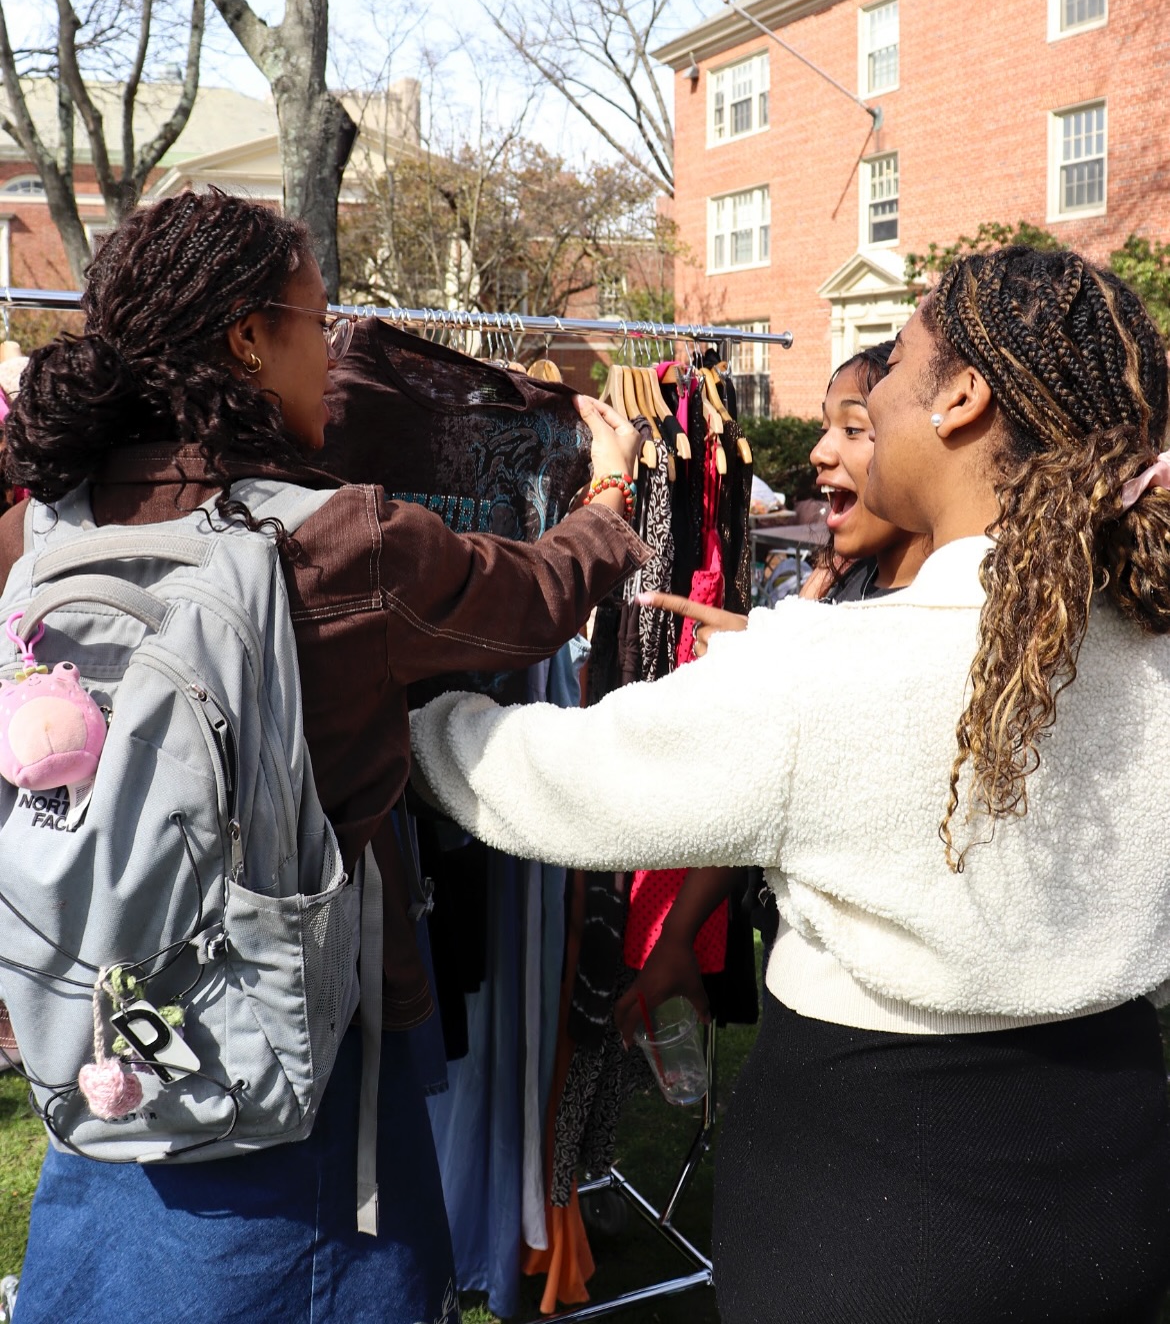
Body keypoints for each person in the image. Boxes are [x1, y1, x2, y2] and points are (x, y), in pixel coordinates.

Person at [412, 247, 1170, 1324]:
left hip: (881, 1209)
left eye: (898, 363)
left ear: (960, 399)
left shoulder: (829, 674)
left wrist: (408, 721)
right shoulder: (1147, 643)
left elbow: (554, 782)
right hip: (1116, 1178)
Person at [0, 188, 643, 1324]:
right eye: (319, 321)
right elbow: (537, 599)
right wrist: (605, 496)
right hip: (295, 1029)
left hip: (95, 997)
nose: (335, 361)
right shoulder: (334, 541)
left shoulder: (51, 522)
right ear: (251, 338)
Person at [617, 340, 931, 1032]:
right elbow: (763, 788)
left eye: (854, 428)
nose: (819, 452)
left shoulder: (936, 624)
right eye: (826, 426)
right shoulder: (839, 587)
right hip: (800, 978)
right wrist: (678, 936)